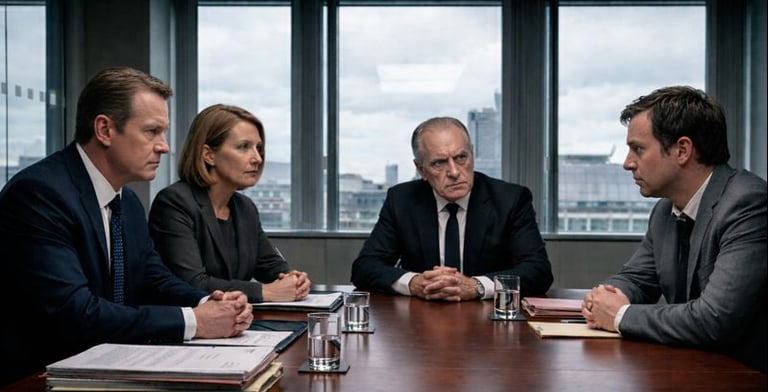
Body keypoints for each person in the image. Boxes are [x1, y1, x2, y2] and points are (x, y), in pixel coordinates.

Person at [0, 67, 253, 385]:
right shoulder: (39, 194)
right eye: (152, 132)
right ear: (105, 130)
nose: (165, 146)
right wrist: (194, 321)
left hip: (108, 368)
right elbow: (76, 313)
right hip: (39, 378)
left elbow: (152, 278)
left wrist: (210, 302)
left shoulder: (128, 202)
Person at [581, 86, 766, 373]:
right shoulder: (665, 210)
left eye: (638, 149)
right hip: (692, 368)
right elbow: (639, 279)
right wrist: (605, 297)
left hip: (745, 375)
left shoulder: (748, 203)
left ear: (682, 150)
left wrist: (619, 314)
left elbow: (715, 320)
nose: (627, 163)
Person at [351, 116, 553, 301]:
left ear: (472, 155)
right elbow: (365, 268)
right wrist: (413, 283)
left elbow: (538, 271)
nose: (454, 172)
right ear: (421, 169)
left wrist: (477, 286)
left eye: (461, 158)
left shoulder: (510, 200)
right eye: (439, 163)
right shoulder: (402, 200)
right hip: (420, 322)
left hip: (490, 322)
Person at [148, 104, 311, 303]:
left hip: (236, 324)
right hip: (189, 327)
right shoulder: (174, 202)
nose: (257, 159)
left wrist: (292, 280)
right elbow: (192, 282)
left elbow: (270, 265)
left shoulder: (245, 208)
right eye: (243, 147)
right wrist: (264, 292)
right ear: (208, 155)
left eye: (258, 148)